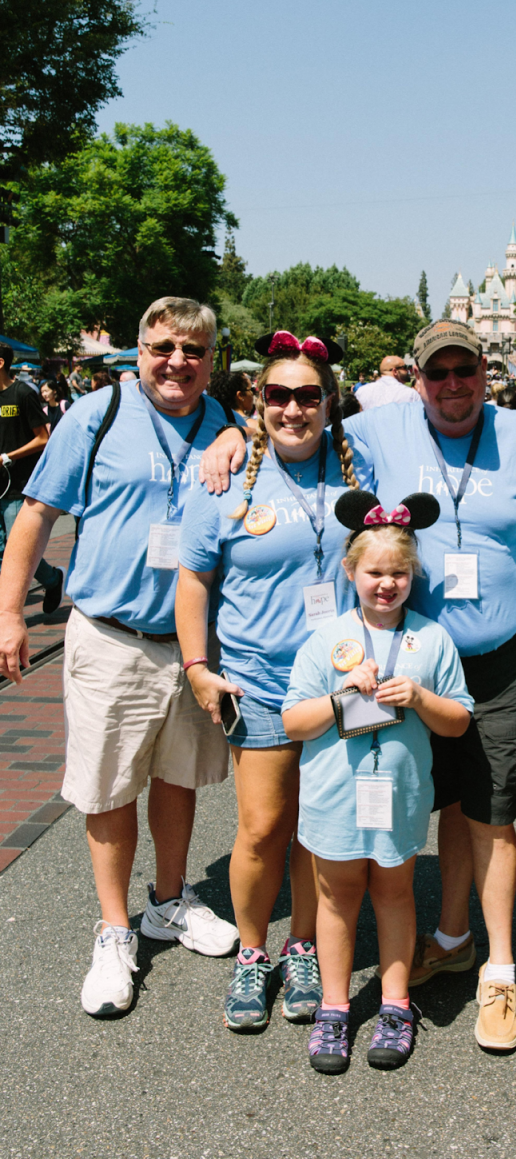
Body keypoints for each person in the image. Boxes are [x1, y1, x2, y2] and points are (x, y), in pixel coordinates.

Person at [198, 318, 516, 1052]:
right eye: (438, 372)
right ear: (419, 378)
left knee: (483, 811)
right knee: (375, 804)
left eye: (466, 370)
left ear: (485, 371)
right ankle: (291, 956)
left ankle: (484, 959)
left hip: (489, 660)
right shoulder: (378, 427)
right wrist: (230, 431)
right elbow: (295, 425)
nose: (452, 384)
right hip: (400, 653)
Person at [0, 297, 241, 1018]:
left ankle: (168, 900)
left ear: (210, 360)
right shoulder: (95, 416)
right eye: (163, 347)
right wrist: (9, 611)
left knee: (177, 777)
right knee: (108, 786)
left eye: (193, 351)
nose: (177, 363)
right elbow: (38, 513)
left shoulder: (222, 427)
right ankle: (113, 929)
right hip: (113, 635)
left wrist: (242, 432)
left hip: (193, 647)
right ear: (139, 350)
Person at [176, 330, 358, 1031]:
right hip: (258, 683)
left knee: (318, 828)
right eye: (276, 395)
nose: (292, 409)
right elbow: (193, 581)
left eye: (307, 395)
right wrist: (198, 668)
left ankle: (303, 945)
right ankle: (254, 954)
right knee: (260, 829)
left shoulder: (357, 464)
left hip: (342, 686)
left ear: (328, 403)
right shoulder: (227, 478)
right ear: (256, 401)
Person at [282, 493, 473, 1073]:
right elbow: (294, 721)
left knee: (394, 893)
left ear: (413, 573)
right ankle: (336, 1010)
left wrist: (418, 697)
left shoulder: (432, 639)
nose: (386, 584)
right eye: (374, 573)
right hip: (336, 796)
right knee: (336, 900)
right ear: (350, 572)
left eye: (398, 573)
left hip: (399, 795)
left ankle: (395, 1004)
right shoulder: (325, 640)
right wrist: (343, 697)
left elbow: (460, 720)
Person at [0, 344, 63, 613]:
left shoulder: (23, 393)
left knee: (20, 550)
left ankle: (51, 581)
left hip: (18, 485)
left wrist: (8, 456)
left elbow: (42, 438)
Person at [355, 356, 420, 411]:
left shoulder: (361, 392)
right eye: (404, 367)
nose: (407, 371)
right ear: (395, 371)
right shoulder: (411, 394)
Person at [208, 369, 260, 436]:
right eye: (251, 390)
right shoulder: (255, 427)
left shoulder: (213, 424)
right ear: (240, 395)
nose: (252, 394)